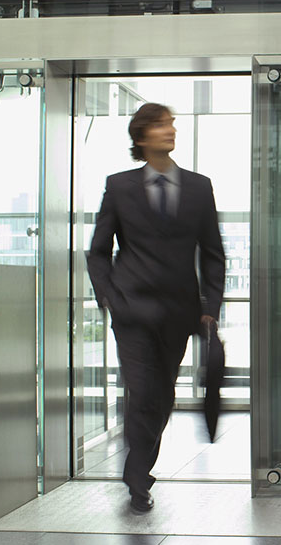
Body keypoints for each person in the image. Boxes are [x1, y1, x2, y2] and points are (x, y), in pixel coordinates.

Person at [87, 102, 225, 513]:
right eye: (162, 124)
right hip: (132, 312)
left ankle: (139, 469)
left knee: (161, 395)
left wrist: (210, 307)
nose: (171, 130)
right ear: (142, 136)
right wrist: (109, 298)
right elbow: (98, 252)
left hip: (178, 312)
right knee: (143, 390)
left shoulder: (199, 187)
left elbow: (213, 253)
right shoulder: (119, 186)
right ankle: (137, 479)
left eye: (172, 124)